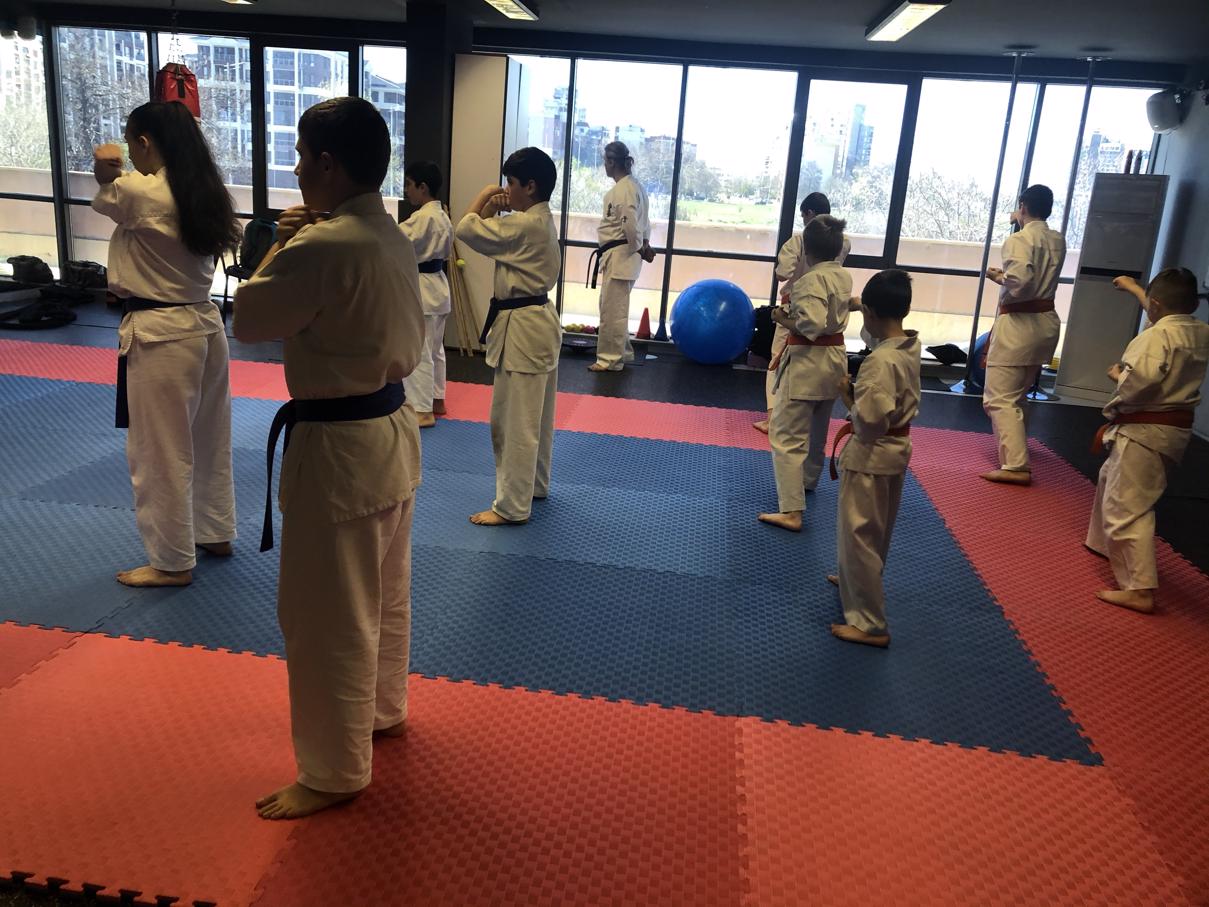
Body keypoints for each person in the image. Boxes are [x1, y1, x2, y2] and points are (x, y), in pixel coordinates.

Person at [232, 97, 425, 820]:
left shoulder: (322, 245)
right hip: (392, 431)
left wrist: (276, 245)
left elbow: (250, 318)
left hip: (340, 452)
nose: (294, 169)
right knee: (384, 593)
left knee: (326, 614)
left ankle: (333, 771)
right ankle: (382, 710)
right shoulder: (389, 232)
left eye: (300, 155)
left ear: (327, 163)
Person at [92, 101, 240, 588]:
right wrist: (112, 172)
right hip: (206, 327)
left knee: (159, 451)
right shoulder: (207, 191)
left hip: (161, 334)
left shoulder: (142, 190)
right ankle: (215, 532)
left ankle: (172, 560)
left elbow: (109, 194)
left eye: (132, 145)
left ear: (145, 143)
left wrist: (104, 168)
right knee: (209, 438)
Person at [1085, 268, 1209, 614]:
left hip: (1145, 428)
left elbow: (1139, 382)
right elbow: (1166, 314)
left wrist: (1118, 374)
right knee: (1110, 480)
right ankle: (1104, 544)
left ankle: (1138, 589)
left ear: (1154, 305)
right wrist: (1134, 289)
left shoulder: (1154, 338)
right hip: (1172, 429)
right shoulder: (1199, 331)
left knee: (1127, 506)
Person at [455, 147, 562, 527]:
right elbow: (482, 232)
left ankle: (512, 506)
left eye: (510, 183)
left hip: (524, 331)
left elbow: (465, 228)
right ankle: (534, 486)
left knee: (514, 422)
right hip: (537, 324)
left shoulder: (524, 226)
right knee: (536, 418)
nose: (505, 190)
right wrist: (494, 205)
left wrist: (485, 195)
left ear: (529, 186)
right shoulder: (538, 221)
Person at [826, 270, 921, 647]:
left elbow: (869, 423)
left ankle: (869, 624)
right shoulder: (907, 346)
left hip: (871, 455)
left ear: (869, 313)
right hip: (894, 453)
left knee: (858, 534)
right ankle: (857, 579)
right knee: (876, 530)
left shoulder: (879, 363)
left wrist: (848, 398)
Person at [758, 215, 851, 532]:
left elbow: (810, 326)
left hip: (809, 362)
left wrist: (780, 318)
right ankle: (808, 481)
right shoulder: (843, 276)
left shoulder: (811, 281)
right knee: (817, 428)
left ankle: (792, 510)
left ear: (805, 250)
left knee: (786, 435)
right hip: (834, 361)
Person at [980, 184, 1066, 485]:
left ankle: (1016, 465)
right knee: (1018, 394)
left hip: (1020, 325)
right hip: (1045, 324)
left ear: (1024, 207)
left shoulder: (1018, 239)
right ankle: (1019, 448)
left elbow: (1020, 282)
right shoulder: (1057, 239)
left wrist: (999, 277)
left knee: (998, 398)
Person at [755, 192, 851, 434]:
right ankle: (808, 420)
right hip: (831, 313)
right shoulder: (844, 242)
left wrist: (799, 261)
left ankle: (772, 419)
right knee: (818, 367)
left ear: (809, 213)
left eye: (803, 216)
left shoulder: (798, 241)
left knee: (777, 361)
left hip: (795, 309)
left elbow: (782, 274)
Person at [588, 141, 654, 372]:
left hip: (622, 255)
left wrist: (641, 248)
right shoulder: (635, 186)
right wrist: (644, 245)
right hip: (623, 256)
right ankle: (623, 352)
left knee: (612, 312)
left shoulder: (624, 190)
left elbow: (631, 225)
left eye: (605, 161)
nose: (604, 166)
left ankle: (610, 359)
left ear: (612, 162)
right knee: (615, 308)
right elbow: (645, 223)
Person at [398, 161, 454, 427]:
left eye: (409, 185)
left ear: (423, 187)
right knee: (435, 349)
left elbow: (396, 240)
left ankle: (422, 410)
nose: (406, 190)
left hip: (423, 290)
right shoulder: (442, 216)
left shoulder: (423, 218)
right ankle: (437, 400)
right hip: (439, 287)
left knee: (419, 352)